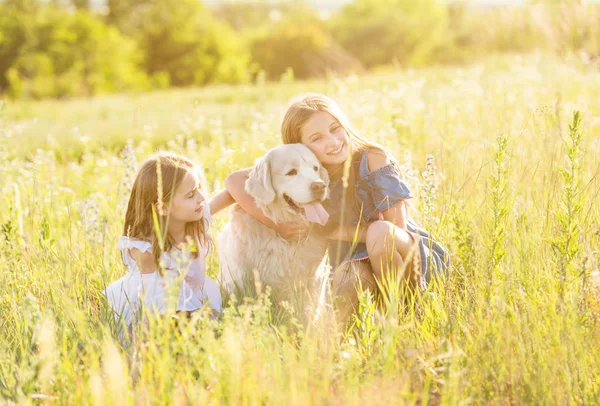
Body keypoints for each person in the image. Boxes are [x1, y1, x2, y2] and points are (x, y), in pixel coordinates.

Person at [225, 93, 449, 320]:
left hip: (405, 256)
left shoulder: (372, 158)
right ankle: (355, 336)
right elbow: (234, 181)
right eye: (317, 138)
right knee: (347, 284)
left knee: (379, 233)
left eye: (335, 128)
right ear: (300, 147)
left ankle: (407, 315)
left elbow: (396, 228)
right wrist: (276, 225)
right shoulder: (304, 176)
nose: (332, 142)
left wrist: (332, 230)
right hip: (351, 260)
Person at [104, 151, 233, 328]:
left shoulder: (196, 216)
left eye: (199, 189)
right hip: (156, 308)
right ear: (163, 208)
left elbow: (233, 190)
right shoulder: (145, 252)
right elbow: (154, 305)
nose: (202, 198)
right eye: (191, 194)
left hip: (186, 300)